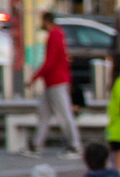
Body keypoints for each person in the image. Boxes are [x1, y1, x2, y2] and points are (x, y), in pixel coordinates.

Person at [28, 12, 81, 156]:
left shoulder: (54, 35)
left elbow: (50, 61)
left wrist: (34, 77)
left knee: (64, 114)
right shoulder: (58, 34)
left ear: (46, 21)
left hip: (56, 81)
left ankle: (74, 145)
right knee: (44, 114)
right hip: (53, 81)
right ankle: (36, 144)